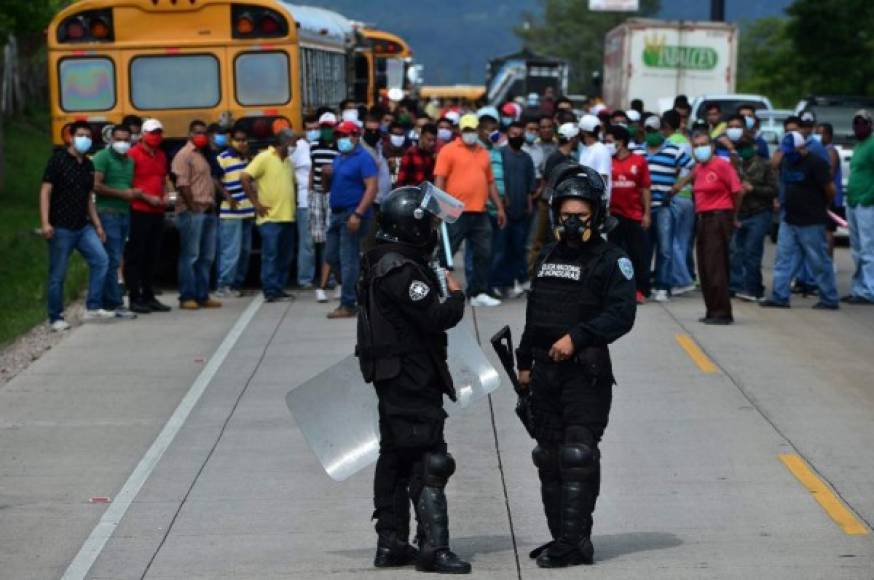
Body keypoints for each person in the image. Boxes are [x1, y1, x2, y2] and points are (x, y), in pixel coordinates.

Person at [517, 163, 636, 568]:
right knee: (548, 456)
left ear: (597, 216)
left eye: (580, 217)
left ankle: (574, 541)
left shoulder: (611, 259)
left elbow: (622, 315)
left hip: (585, 373)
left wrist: (578, 337)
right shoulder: (548, 256)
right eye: (565, 216)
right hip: (544, 372)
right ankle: (564, 539)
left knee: (577, 454)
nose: (571, 224)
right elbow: (536, 314)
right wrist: (523, 363)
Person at [357, 186, 470, 574]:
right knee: (429, 458)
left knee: (396, 458)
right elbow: (435, 315)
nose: (435, 231)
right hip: (409, 376)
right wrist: (456, 297)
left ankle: (391, 543)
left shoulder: (385, 259)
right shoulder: (399, 268)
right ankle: (433, 549)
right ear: (412, 225)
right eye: (431, 224)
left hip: (396, 376)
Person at [40, 121, 112, 329]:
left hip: (83, 225)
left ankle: (93, 306)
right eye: (80, 135)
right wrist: (45, 222)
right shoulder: (58, 160)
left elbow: (88, 197)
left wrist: (97, 225)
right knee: (58, 273)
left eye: (88, 136)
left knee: (101, 260)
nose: (85, 139)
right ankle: (56, 317)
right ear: (70, 137)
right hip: (61, 226)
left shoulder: (88, 165)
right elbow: (45, 191)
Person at [434, 114, 507, 306]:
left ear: (477, 130)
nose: (469, 134)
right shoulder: (448, 150)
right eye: (466, 130)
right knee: (446, 253)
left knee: (484, 252)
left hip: (480, 211)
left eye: (472, 130)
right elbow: (439, 179)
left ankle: (478, 293)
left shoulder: (483, 152)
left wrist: (499, 208)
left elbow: (490, 183)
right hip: (454, 210)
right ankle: (439, 289)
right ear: (460, 131)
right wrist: (438, 209)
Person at [761, 132, 839, 310]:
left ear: (802, 147)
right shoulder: (787, 161)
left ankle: (829, 298)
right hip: (790, 218)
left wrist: (821, 206)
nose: (788, 154)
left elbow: (830, 190)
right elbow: (776, 170)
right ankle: (780, 296)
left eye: (791, 150)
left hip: (811, 220)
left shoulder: (816, 163)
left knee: (818, 261)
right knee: (783, 259)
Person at [325, 120, 378, 318]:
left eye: (345, 135)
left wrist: (358, 213)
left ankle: (348, 304)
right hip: (337, 213)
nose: (341, 139)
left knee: (348, 258)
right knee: (332, 256)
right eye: (338, 135)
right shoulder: (340, 158)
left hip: (352, 213)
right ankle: (358, 285)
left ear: (355, 137)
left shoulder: (363, 158)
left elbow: (372, 187)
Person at [690, 131, 743, 324]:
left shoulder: (721, 165)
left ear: (712, 147)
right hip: (703, 218)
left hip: (718, 216)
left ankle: (722, 312)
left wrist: (732, 216)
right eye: (696, 146)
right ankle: (711, 309)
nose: (700, 149)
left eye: (703, 144)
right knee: (704, 266)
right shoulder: (698, 168)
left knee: (716, 266)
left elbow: (738, 191)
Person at [241, 128, 297, 303]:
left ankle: (278, 288)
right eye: (293, 142)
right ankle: (271, 290)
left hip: (287, 217)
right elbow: (244, 177)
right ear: (284, 142)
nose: (295, 145)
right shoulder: (264, 157)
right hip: (270, 218)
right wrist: (256, 204)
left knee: (285, 256)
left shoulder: (288, 161)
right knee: (271, 256)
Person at [642, 114, 694, 303]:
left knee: (665, 249)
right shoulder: (638, 152)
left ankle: (663, 286)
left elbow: (693, 167)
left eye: (655, 130)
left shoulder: (673, 151)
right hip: (644, 208)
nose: (651, 134)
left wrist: (678, 186)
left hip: (664, 206)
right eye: (648, 131)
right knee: (646, 250)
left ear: (662, 130)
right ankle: (645, 285)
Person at [92, 123, 140, 319]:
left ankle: (106, 301)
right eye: (118, 139)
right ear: (111, 140)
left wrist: (130, 195)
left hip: (123, 213)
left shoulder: (129, 161)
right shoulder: (102, 157)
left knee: (117, 255)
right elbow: (96, 185)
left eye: (126, 140)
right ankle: (115, 303)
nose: (122, 143)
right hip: (108, 212)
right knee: (112, 258)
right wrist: (122, 194)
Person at [172, 120, 221, 310]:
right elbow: (182, 184)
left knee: (206, 257)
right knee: (190, 256)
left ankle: (202, 294)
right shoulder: (184, 155)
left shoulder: (203, 155)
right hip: (193, 211)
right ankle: (187, 296)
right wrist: (192, 207)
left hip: (208, 210)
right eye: (196, 132)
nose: (200, 135)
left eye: (203, 132)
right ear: (189, 134)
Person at [126, 118, 171, 314]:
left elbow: (164, 179)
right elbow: (126, 182)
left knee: (153, 255)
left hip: (158, 210)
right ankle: (135, 297)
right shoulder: (131, 154)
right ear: (143, 134)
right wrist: (146, 197)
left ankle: (149, 295)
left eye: (158, 133)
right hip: (138, 210)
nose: (156, 136)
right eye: (152, 133)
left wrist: (169, 194)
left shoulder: (161, 155)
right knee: (136, 254)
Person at [605, 125, 651, 304]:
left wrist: (647, 214)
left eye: (610, 141)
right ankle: (617, 291)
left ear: (621, 142)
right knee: (615, 256)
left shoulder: (639, 161)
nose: (607, 145)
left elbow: (645, 189)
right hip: (614, 216)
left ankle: (640, 290)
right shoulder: (608, 161)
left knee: (639, 255)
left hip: (634, 215)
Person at [729, 135, 779, 301]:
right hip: (740, 214)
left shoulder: (765, 165)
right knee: (736, 252)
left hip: (759, 213)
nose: (743, 150)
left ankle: (754, 288)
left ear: (755, 147)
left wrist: (753, 189)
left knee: (752, 252)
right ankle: (736, 285)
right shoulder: (737, 166)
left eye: (746, 146)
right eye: (740, 147)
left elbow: (773, 190)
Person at [528, 122, 581, 278]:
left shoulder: (570, 157)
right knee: (539, 240)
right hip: (548, 204)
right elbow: (549, 181)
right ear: (571, 139)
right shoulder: (556, 157)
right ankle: (532, 274)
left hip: (560, 205)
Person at [491, 121, 536, 297]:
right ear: (507, 135)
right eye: (513, 133)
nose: (517, 137)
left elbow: (530, 185)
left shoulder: (526, 158)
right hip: (503, 212)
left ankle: (512, 283)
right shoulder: (500, 155)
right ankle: (496, 284)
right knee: (500, 249)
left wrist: (529, 205)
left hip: (521, 212)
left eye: (520, 134)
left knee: (518, 249)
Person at [216, 125, 254, 297]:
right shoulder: (222, 158)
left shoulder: (248, 158)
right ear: (231, 140)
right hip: (231, 212)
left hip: (247, 211)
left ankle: (237, 284)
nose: (241, 143)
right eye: (238, 140)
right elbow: (214, 179)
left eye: (244, 140)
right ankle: (224, 285)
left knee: (245, 251)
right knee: (231, 250)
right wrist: (227, 196)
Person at [663, 110, 697, 295]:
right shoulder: (686, 141)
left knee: (671, 241)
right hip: (688, 196)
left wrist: (674, 185)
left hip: (674, 194)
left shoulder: (669, 143)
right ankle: (680, 278)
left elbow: (674, 167)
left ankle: (682, 279)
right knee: (682, 242)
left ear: (666, 125)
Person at [843, 110, 874, 304]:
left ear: (871, 125)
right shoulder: (859, 145)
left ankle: (869, 290)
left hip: (866, 203)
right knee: (856, 249)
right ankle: (858, 288)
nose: (858, 127)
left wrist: (868, 197)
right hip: (853, 202)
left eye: (863, 123)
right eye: (856, 123)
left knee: (868, 248)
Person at [310, 112, 340, 303]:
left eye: (330, 127)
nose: (327, 131)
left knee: (332, 241)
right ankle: (331, 281)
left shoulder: (339, 148)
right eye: (324, 127)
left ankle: (333, 282)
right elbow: (313, 170)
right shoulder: (314, 147)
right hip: (317, 195)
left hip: (332, 195)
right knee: (319, 239)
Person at [291, 127, 315, 288]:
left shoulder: (325, 145)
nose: (314, 131)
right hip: (304, 200)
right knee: (307, 243)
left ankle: (331, 278)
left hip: (324, 200)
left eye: (317, 128)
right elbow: (287, 170)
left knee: (327, 242)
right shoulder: (299, 147)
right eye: (310, 128)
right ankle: (305, 279)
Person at [815, 122, 844, 257]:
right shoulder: (819, 149)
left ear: (829, 135)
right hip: (820, 196)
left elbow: (829, 174)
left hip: (829, 197)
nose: (818, 136)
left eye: (821, 133)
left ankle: (828, 262)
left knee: (828, 231)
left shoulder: (831, 151)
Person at [577, 115, 611, 200]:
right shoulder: (585, 149)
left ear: (583, 132)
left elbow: (603, 179)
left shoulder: (601, 150)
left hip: (596, 202)